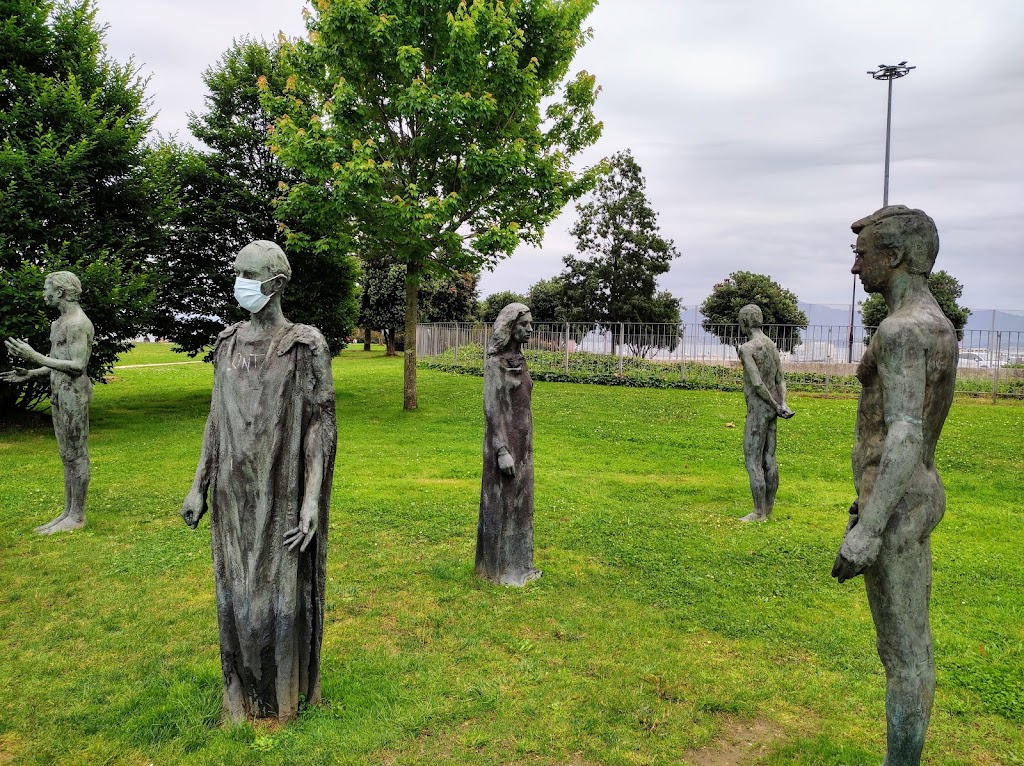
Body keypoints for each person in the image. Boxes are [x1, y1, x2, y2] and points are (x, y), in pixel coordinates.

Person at [180, 240, 337, 722]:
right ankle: (241, 695)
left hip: (283, 495)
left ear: (276, 284)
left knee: (279, 592)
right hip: (232, 496)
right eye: (238, 274)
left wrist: (311, 499)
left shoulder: (304, 344)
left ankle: (280, 699)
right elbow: (215, 419)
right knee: (237, 591)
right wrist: (198, 482)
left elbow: (320, 424)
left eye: (248, 276)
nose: (240, 285)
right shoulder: (226, 343)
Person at [832, 206, 957, 766]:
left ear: (895, 256)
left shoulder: (904, 331)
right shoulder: (934, 324)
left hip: (900, 501)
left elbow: (905, 434)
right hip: (907, 494)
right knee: (908, 649)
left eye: (862, 255)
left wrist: (870, 527)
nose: (855, 267)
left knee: (904, 654)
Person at [3, 271, 94, 534]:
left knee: (77, 454)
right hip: (59, 392)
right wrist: (30, 373)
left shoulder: (78, 324)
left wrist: (35, 357)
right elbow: (60, 363)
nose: (44, 294)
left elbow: (77, 366)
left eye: (47, 288)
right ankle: (67, 512)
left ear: (62, 291)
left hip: (74, 395)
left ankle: (77, 516)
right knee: (66, 456)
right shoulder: (59, 324)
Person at [475, 302, 541, 586]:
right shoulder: (494, 364)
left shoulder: (521, 360)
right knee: (501, 504)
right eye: (524, 325)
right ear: (510, 328)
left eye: (529, 324)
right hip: (503, 444)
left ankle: (520, 565)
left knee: (521, 503)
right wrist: (501, 450)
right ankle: (498, 570)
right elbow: (492, 410)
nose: (529, 329)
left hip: (523, 443)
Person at [736, 303, 794, 522]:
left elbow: (758, 383)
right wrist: (782, 404)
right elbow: (779, 379)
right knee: (769, 458)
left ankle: (759, 512)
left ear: (744, 322)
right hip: (772, 410)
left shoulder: (747, 348)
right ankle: (767, 509)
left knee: (752, 460)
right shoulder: (770, 345)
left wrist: (776, 404)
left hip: (759, 409)